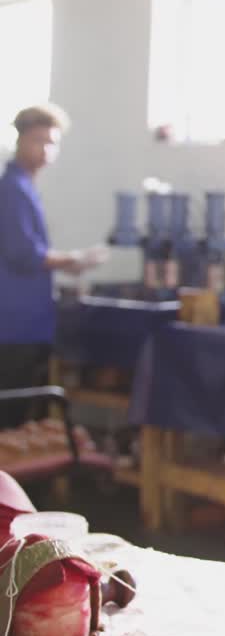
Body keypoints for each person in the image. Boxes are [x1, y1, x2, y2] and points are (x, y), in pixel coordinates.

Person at [0, 105, 107, 429]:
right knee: (10, 417)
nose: (45, 149)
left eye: (52, 142)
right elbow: (25, 254)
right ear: (19, 140)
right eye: (38, 140)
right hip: (14, 325)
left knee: (25, 414)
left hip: (30, 322)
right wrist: (74, 259)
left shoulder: (26, 189)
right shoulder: (12, 190)